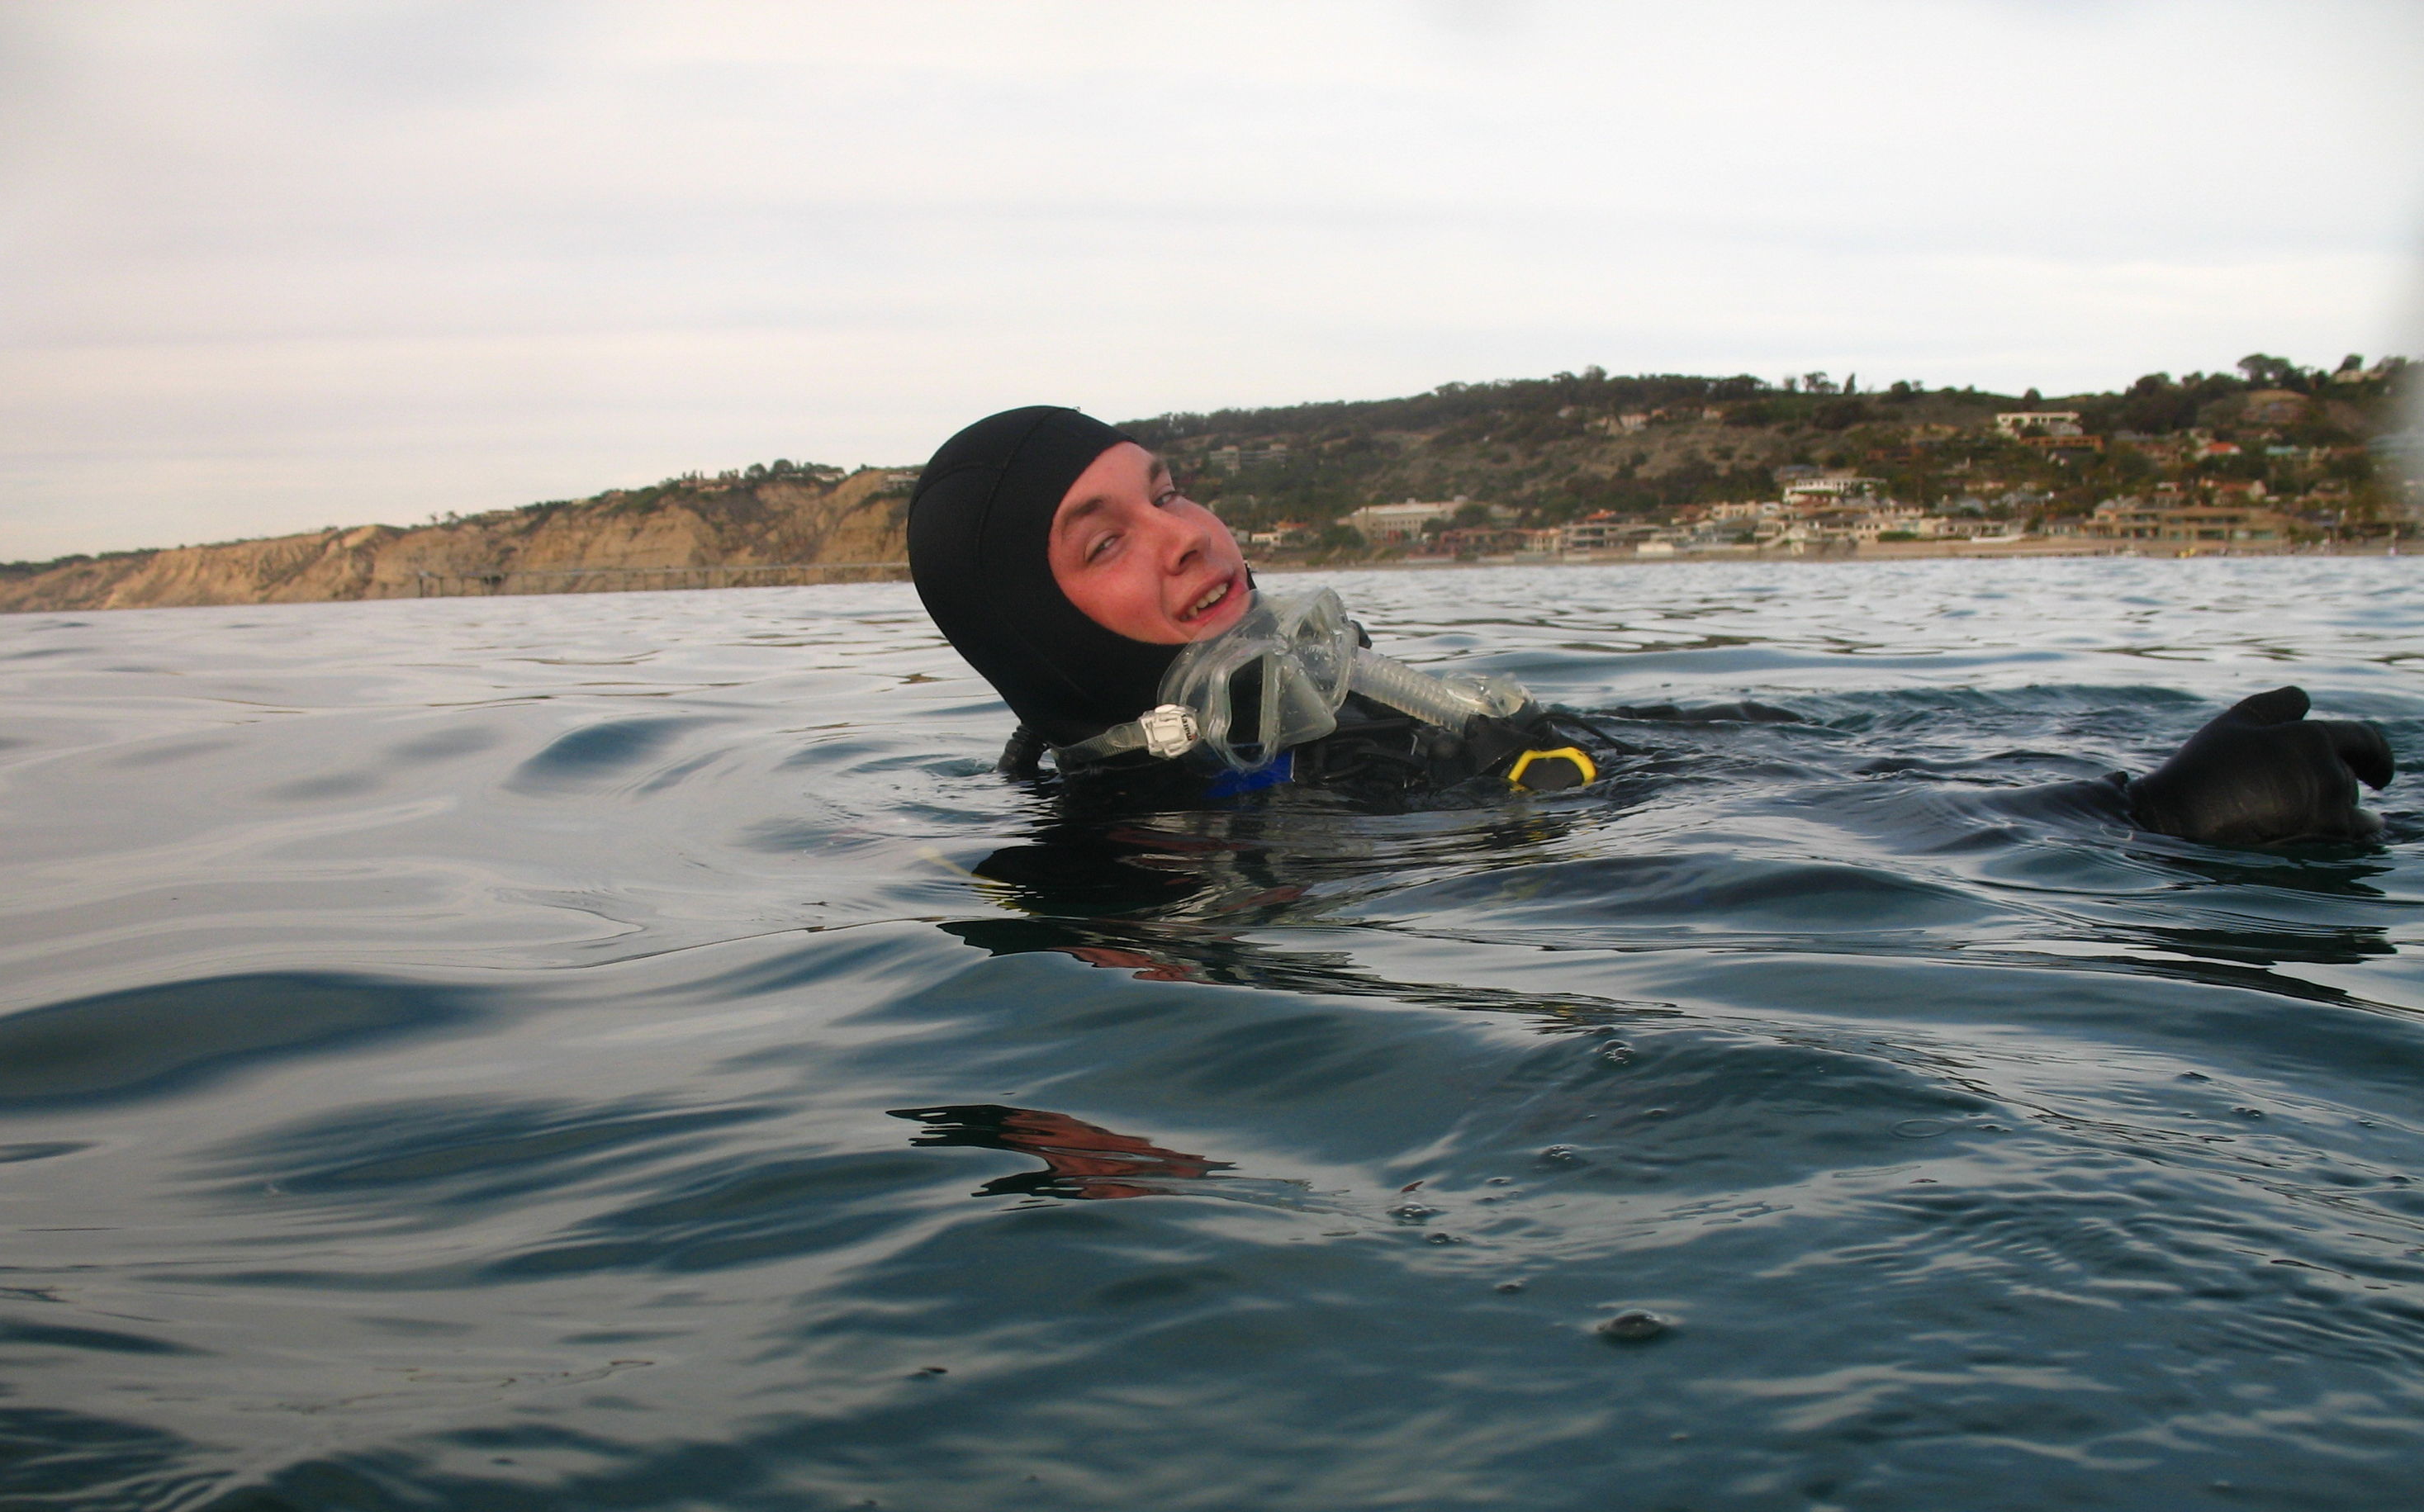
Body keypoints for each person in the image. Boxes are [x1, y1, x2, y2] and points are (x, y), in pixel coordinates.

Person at [908, 405, 2398, 841]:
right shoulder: (1152, 837)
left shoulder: (1321, 706)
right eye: (1105, 538)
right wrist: (2129, 821)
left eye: (1170, 490)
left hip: (1732, 784)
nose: (1189, 534)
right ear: (1025, 628)